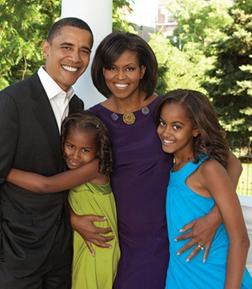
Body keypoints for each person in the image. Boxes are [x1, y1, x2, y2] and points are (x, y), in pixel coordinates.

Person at [70, 31, 243, 289]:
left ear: (142, 71)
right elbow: (69, 179)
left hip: (169, 239)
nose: (119, 77)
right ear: (102, 71)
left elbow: (232, 164)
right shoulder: (93, 121)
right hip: (120, 240)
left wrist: (215, 217)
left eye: (129, 68)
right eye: (111, 68)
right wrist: (73, 218)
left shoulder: (168, 112)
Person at [0, 17, 93, 288]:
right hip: (15, 252)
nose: (76, 57)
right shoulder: (9, 102)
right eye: (67, 47)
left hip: (62, 252)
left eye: (84, 50)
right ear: (46, 48)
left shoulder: (78, 106)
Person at [6, 111, 120, 289]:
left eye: (86, 150)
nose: (75, 156)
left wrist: (2, 170)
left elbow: (47, 186)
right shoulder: (73, 170)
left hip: (98, 246)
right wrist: (73, 218)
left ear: (99, 150)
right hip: (85, 241)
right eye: (70, 146)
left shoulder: (95, 168)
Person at [155, 89, 252, 288]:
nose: (166, 132)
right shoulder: (171, 167)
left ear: (196, 129)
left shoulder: (208, 169)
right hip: (180, 279)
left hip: (215, 279)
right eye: (163, 123)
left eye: (177, 126)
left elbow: (241, 240)